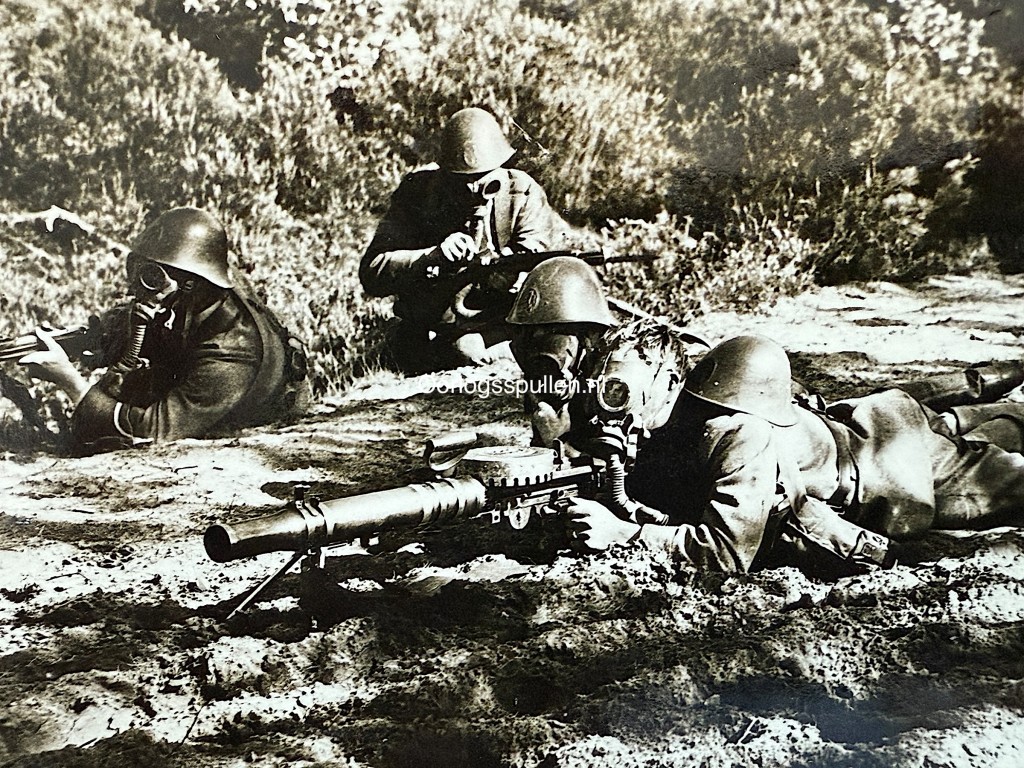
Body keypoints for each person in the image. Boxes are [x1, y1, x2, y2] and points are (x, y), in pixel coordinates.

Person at [565, 334, 1024, 575]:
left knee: (1004, 476)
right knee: (967, 424)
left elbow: (727, 553)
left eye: (620, 389)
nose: (608, 402)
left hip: (891, 467)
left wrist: (625, 533)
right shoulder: (647, 420)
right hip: (862, 423)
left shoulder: (736, 431)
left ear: (668, 381)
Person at [19, 207, 308, 454]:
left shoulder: (231, 352)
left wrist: (72, 383)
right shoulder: (202, 293)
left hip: (245, 418)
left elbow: (151, 431)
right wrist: (84, 340)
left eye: (152, 278)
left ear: (191, 283)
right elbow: (141, 323)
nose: (136, 288)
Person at [360, 107, 569, 373]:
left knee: (470, 350)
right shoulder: (417, 194)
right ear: (443, 172)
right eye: (460, 181)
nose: (472, 189)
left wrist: (506, 273)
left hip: (494, 326)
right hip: (428, 330)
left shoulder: (522, 194)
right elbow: (373, 271)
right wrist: (431, 256)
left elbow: (539, 264)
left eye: (483, 178)